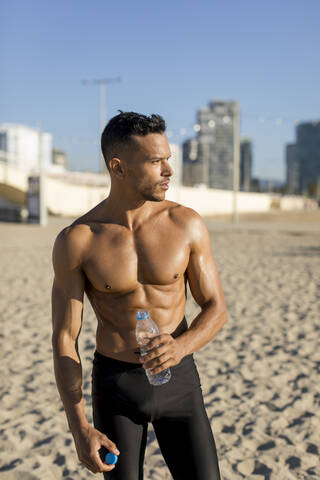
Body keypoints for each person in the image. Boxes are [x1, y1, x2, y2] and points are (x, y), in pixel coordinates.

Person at [51, 111, 228, 480]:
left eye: (168, 160)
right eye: (155, 161)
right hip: (116, 389)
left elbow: (216, 308)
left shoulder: (186, 224)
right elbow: (65, 338)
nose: (169, 171)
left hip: (179, 382)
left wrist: (180, 347)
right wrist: (79, 426)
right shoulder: (78, 240)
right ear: (118, 168)